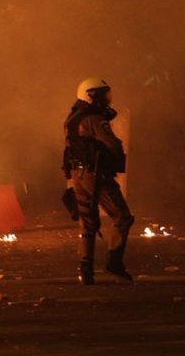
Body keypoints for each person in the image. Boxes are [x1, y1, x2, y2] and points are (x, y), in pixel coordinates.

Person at [63, 78, 135, 285]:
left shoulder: (71, 118)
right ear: (90, 95)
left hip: (77, 174)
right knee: (122, 216)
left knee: (87, 222)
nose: (107, 99)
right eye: (103, 95)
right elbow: (111, 143)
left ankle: (86, 271)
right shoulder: (93, 119)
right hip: (95, 175)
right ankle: (114, 262)